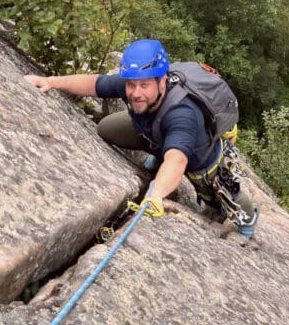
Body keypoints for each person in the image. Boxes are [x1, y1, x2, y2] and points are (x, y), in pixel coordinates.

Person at [25, 38, 259, 238]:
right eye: (131, 85)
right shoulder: (136, 81)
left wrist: (155, 194)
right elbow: (96, 84)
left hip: (199, 157)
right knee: (107, 129)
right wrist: (52, 82)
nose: (136, 93)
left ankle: (248, 221)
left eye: (145, 86)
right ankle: (158, 152)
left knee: (222, 199)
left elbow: (177, 161)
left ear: (162, 81)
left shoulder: (182, 115)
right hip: (157, 133)